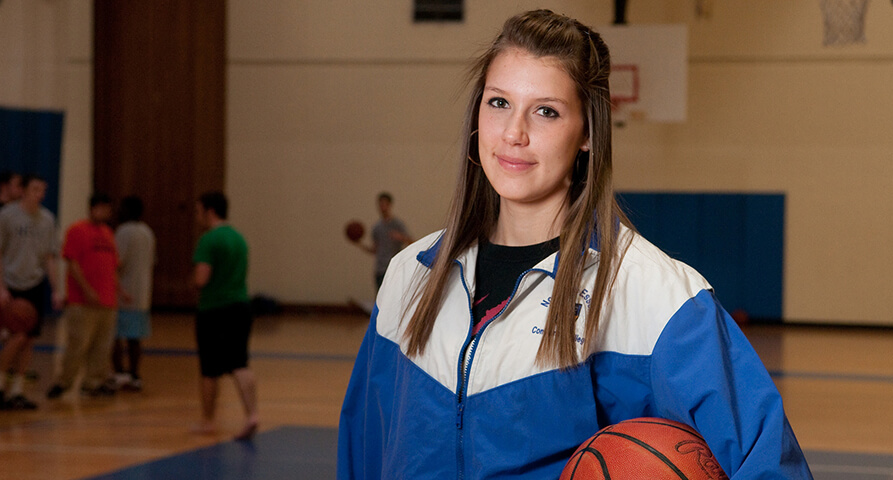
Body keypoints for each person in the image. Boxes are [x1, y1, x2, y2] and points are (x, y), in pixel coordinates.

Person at [337, 10, 811, 479]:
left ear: (587, 132)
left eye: (546, 111)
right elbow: (363, 456)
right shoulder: (408, 277)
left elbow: (769, 462)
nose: (513, 134)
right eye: (498, 102)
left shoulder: (654, 297)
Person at [192, 191, 258, 441]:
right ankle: (252, 413)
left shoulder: (208, 240)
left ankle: (207, 420)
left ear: (210, 211)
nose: (197, 218)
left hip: (214, 309)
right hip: (241, 306)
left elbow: (201, 278)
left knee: (209, 367)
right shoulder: (239, 239)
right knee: (240, 363)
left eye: (198, 212)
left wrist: (193, 282)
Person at [46, 194, 120, 399]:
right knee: (77, 344)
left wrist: (119, 290)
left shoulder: (107, 232)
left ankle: (93, 382)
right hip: (82, 300)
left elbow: (113, 265)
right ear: (93, 208)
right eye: (104, 208)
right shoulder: (77, 230)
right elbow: (72, 262)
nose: (107, 213)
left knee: (102, 346)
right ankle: (64, 382)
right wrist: (87, 289)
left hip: (107, 300)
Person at [0, 174, 61, 410]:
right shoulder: (7, 216)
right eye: (36, 189)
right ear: (23, 190)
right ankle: (2, 385)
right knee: (18, 336)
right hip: (11, 283)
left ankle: (17, 391)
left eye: (43, 190)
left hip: (35, 284)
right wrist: (2, 287)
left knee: (30, 340)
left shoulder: (46, 219)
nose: (40, 194)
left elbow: (49, 258)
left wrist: (56, 290)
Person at [110, 196, 156, 391]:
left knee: (115, 335)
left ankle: (120, 373)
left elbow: (116, 262)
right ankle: (135, 374)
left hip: (124, 293)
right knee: (135, 338)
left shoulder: (124, 231)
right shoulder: (148, 232)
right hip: (143, 293)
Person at [350, 192, 412, 290]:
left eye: (385, 204)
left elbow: (412, 242)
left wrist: (401, 237)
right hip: (380, 270)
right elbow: (374, 250)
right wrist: (359, 244)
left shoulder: (398, 224)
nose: (382, 207)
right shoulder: (376, 227)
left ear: (390, 205)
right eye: (380, 204)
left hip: (394, 269)